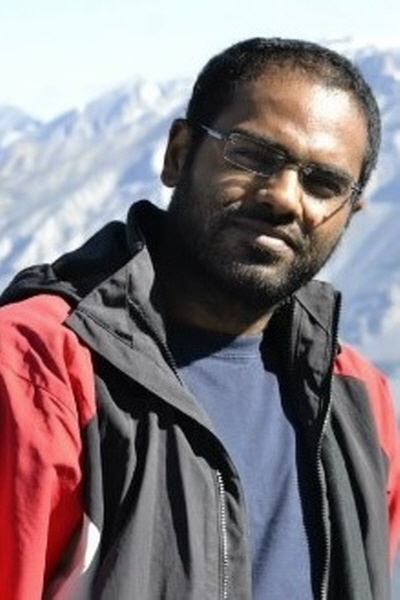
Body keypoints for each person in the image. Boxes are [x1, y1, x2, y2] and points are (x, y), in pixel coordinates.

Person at [0, 37, 399, 600]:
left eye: (323, 183)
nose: (285, 198)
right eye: (253, 156)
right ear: (178, 154)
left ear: (350, 211)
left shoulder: (357, 402)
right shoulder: (38, 370)